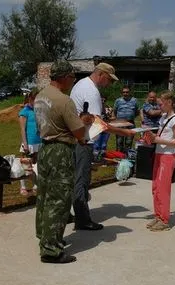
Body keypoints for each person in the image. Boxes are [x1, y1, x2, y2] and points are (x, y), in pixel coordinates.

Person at [70, 62, 135, 231]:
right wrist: (124, 132)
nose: (110, 84)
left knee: (75, 178)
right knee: (81, 180)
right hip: (84, 141)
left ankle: (70, 213)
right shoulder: (92, 91)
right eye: (109, 80)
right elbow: (99, 124)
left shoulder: (80, 84)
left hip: (76, 138)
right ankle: (82, 219)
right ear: (101, 75)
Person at [34, 60, 85, 264]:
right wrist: (84, 123)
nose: (73, 81)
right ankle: (50, 249)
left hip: (45, 148)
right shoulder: (65, 100)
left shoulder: (40, 96)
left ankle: (44, 235)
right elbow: (78, 131)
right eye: (72, 78)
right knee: (60, 199)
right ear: (64, 77)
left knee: (44, 196)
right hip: (60, 151)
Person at [145, 91, 175, 232]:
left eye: (161, 104)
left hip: (167, 157)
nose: (159, 106)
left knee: (163, 189)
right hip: (159, 154)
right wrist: (151, 137)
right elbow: (161, 137)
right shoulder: (163, 118)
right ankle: (158, 215)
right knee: (155, 187)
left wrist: (158, 140)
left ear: (169, 103)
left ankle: (164, 220)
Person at [18, 89, 41, 195]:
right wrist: (25, 144)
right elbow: (22, 129)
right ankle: (22, 187)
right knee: (25, 165)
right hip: (29, 142)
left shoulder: (38, 111)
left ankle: (36, 185)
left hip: (38, 142)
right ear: (30, 99)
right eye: (35, 100)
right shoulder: (24, 112)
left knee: (37, 165)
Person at [113, 86, 139, 153]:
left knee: (129, 142)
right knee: (119, 141)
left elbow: (137, 111)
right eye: (124, 92)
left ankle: (127, 157)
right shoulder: (118, 100)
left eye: (127, 92)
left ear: (129, 92)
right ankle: (119, 156)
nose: (125, 93)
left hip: (130, 123)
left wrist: (130, 116)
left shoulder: (134, 100)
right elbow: (115, 111)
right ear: (121, 93)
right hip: (120, 124)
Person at [93, 95, 113, 161]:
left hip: (106, 128)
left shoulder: (109, 108)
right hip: (97, 128)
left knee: (104, 144)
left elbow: (113, 117)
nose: (102, 101)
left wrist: (109, 117)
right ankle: (95, 158)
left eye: (104, 100)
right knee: (96, 144)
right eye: (101, 100)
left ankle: (102, 158)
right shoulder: (95, 108)